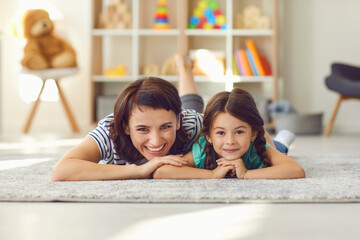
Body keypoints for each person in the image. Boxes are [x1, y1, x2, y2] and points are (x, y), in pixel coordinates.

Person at [153, 88, 305, 179]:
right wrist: (212, 174)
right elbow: (161, 172)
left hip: (261, 139)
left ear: (252, 133)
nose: (230, 141)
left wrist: (246, 174)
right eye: (220, 132)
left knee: (279, 149)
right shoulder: (203, 149)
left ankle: (283, 138)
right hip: (248, 138)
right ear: (208, 136)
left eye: (238, 131)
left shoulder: (258, 146)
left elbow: (296, 170)